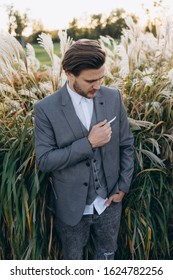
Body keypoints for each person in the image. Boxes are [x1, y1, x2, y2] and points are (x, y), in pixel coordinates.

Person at [34, 39, 134, 260]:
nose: (98, 86)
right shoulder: (45, 109)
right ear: (69, 74)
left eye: (101, 78)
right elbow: (45, 160)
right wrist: (88, 144)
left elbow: (126, 144)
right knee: (73, 261)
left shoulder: (113, 97)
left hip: (109, 203)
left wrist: (123, 186)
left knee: (107, 255)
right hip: (71, 207)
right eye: (90, 80)